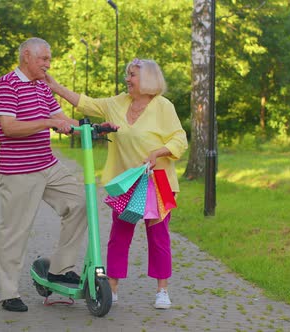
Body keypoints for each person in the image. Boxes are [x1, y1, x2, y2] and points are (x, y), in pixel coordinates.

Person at [45, 58, 188, 309]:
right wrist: (56, 87)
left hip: (158, 181)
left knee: (159, 237)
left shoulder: (163, 106)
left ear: (148, 79)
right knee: (119, 236)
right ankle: (111, 286)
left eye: (132, 75)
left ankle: (162, 290)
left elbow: (180, 138)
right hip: (125, 182)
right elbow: (85, 103)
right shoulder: (117, 103)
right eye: (127, 74)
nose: (127, 79)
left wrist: (158, 153)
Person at [0, 37, 89, 312]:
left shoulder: (42, 87)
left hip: (48, 165)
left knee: (81, 203)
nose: (48, 64)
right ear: (26, 56)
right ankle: (9, 293)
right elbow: (10, 127)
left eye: (48, 59)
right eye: (43, 59)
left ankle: (59, 269)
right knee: (16, 231)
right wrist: (48, 122)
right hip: (19, 171)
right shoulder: (7, 84)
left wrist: (91, 127)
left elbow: (62, 119)